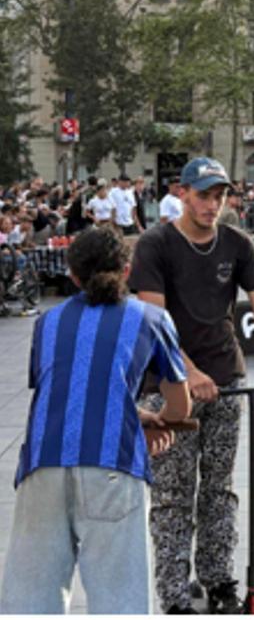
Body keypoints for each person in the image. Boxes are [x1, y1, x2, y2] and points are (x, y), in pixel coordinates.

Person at [129, 157, 254, 614]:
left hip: (226, 378)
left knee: (219, 486)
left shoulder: (236, 243)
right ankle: (175, 595)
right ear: (182, 193)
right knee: (173, 494)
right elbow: (153, 319)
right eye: (204, 195)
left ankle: (217, 581)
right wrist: (187, 373)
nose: (213, 205)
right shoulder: (155, 245)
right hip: (167, 386)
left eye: (220, 196)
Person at [0, 226, 191, 614]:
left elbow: (68, 390)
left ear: (72, 275)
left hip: (42, 467)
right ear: (127, 268)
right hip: (111, 467)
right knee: (118, 598)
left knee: (31, 601)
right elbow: (180, 406)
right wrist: (156, 420)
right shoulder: (151, 318)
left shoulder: (47, 322)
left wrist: (131, 413)